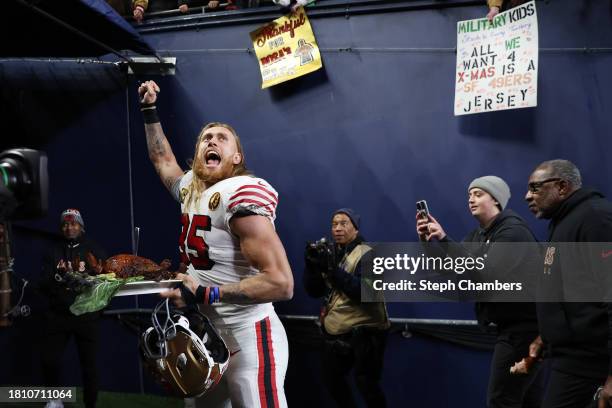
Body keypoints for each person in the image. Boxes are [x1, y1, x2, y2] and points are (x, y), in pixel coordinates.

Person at [137, 80, 294, 408]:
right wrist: (149, 109)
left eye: (222, 138)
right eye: (206, 138)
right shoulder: (191, 189)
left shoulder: (241, 193)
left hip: (251, 335)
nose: (212, 140)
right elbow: (161, 159)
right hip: (205, 335)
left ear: (236, 156)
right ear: (197, 153)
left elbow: (281, 283)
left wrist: (208, 293)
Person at [416, 176, 543, 408]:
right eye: (469, 195)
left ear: (495, 199)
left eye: (478, 194)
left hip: (525, 331)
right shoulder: (479, 236)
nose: (471, 200)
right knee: (525, 400)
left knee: (501, 400)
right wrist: (428, 242)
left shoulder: (513, 233)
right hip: (511, 329)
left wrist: (444, 239)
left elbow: (484, 275)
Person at [524, 159, 612, 408]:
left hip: (590, 364)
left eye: (535, 188)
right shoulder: (562, 222)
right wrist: (545, 337)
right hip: (567, 359)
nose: (527, 196)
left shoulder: (596, 219)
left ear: (561, 187)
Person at [303, 208, 390, 408]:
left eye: (344, 223)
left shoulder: (369, 253)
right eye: (334, 224)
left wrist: (332, 271)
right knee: (332, 380)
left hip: (367, 333)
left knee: (367, 384)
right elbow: (314, 291)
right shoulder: (331, 252)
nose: (338, 228)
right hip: (337, 333)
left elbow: (364, 292)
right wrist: (311, 267)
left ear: (355, 229)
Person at [40, 209, 106, 408]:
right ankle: (54, 400)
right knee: (49, 360)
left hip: (87, 317)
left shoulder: (93, 249)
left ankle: (90, 404)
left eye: (74, 224)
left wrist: (96, 309)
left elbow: (107, 281)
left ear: (81, 226)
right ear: (62, 228)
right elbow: (43, 282)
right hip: (59, 315)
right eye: (66, 224)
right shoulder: (53, 250)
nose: (70, 228)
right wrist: (58, 280)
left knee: (90, 367)